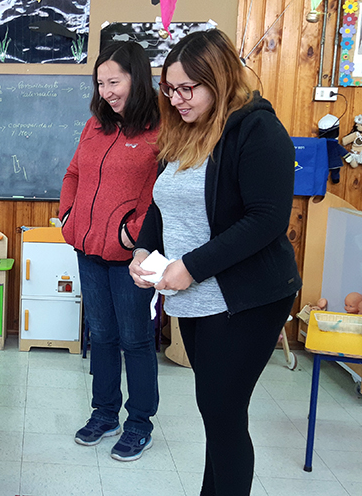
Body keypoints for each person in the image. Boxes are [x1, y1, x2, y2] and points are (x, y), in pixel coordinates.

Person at [129, 29, 301, 495]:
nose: (177, 99)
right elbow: (162, 203)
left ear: (220, 79)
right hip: (197, 298)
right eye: (170, 88)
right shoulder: (186, 129)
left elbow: (266, 220)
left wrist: (191, 267)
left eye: (189, 88)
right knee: (216, 412)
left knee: (223, 414)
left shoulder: (257, 128)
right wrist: (144, 250)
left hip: (245, 298)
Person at [60, 40, 160, 461]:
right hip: (88, 250)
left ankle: (139, 422)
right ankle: (104, 413)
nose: (106, 91)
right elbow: (73, 174)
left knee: (136, 340)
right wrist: (69, 217)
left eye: (114, 81)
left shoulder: (161, 130)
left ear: (136, 78)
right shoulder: (94, 126)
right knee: (100, 335)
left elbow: (159, 196)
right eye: (100, 83)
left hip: (131, 258)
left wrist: (129, 234)